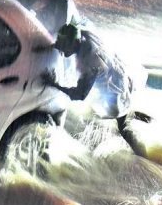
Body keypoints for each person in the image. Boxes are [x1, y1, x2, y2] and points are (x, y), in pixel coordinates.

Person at [42, 22, 149, 156]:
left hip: (115, 91)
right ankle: (145, 119)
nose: (62, 50)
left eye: (65, 46)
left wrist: (53, 83)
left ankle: (144, 155)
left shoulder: (88, 62)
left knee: (122, 127)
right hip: (120, 74)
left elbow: (79, 95)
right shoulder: (85, 34)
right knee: (124, 114)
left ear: (75, 42)